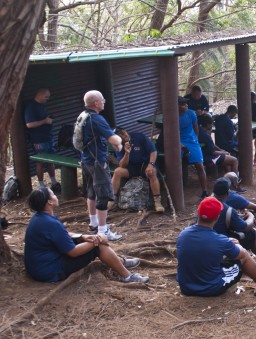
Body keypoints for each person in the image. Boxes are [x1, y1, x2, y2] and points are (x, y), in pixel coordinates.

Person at [24, 187, 148, 283]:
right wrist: (98, 240)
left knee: (91, 241)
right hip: (50, 271)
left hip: (40, 267)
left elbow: (64, 234)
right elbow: (72, 252)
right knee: (98, 247)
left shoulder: (41, 217)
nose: (56, 195)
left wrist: (83, 237)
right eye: (53, 194)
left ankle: (120, 262)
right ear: (49, 202)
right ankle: (127, 276)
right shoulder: (49, 222)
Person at [176, 197, 256, 297]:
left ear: (198, 213)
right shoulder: (220, 240)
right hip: (211, 288)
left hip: (186, 287)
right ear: (217, 217)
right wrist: (235, 244)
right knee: (244, 255)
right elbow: (241, 254)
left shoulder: (183, 234)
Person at [80, 90, 123, 240]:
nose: (104, 102)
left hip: (86, 160)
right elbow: (114, 140)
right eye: (102, 100)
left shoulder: (83, 116)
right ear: (96, 103)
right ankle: (103, 231)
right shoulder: (96, 119)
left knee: (91, 191)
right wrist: (120, 142)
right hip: (97, 162)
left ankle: (94, 223)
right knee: (103, 194)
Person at [212, 178, 256, 266]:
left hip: (209, 236)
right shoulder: (228, 208)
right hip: (221, 240)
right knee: (253, 233)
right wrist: (250, 216)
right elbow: (245, 227)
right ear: (228, 192)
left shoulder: (206, 201)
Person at [109, 127, 164, 212]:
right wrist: (127, 153)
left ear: (125, 131)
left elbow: (153, 151)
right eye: (120, 136)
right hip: (131, 167)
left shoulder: (139, 137)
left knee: (152, 172)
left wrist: (150, 164)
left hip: (144, 165)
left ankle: (157, 201)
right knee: (117, 172)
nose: (124, 136)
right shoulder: (118, 145)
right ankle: (112, 200)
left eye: (123, 133)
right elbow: (122, 165)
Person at [23, 88, 61, 193]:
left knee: (51, 160)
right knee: (40, 161)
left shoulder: (41, 105)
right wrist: (45, 121)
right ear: (39, 95)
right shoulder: (31, 107)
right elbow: (29, 124)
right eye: (46, 97)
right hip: (38, 139)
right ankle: (41, 186)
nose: (47, 99)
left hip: (47, 137)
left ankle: (54, 182)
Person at [178, 96, 209, 199]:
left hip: (191, 141)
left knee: (199, 165)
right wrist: (180, 145)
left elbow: (196, 127)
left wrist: (194, 139)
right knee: (177, 164)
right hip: (178, 142)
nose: (186, 105)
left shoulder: (191, 113)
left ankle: (204, 191)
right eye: (182, 104)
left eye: (186, 103)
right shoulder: (172, 116)